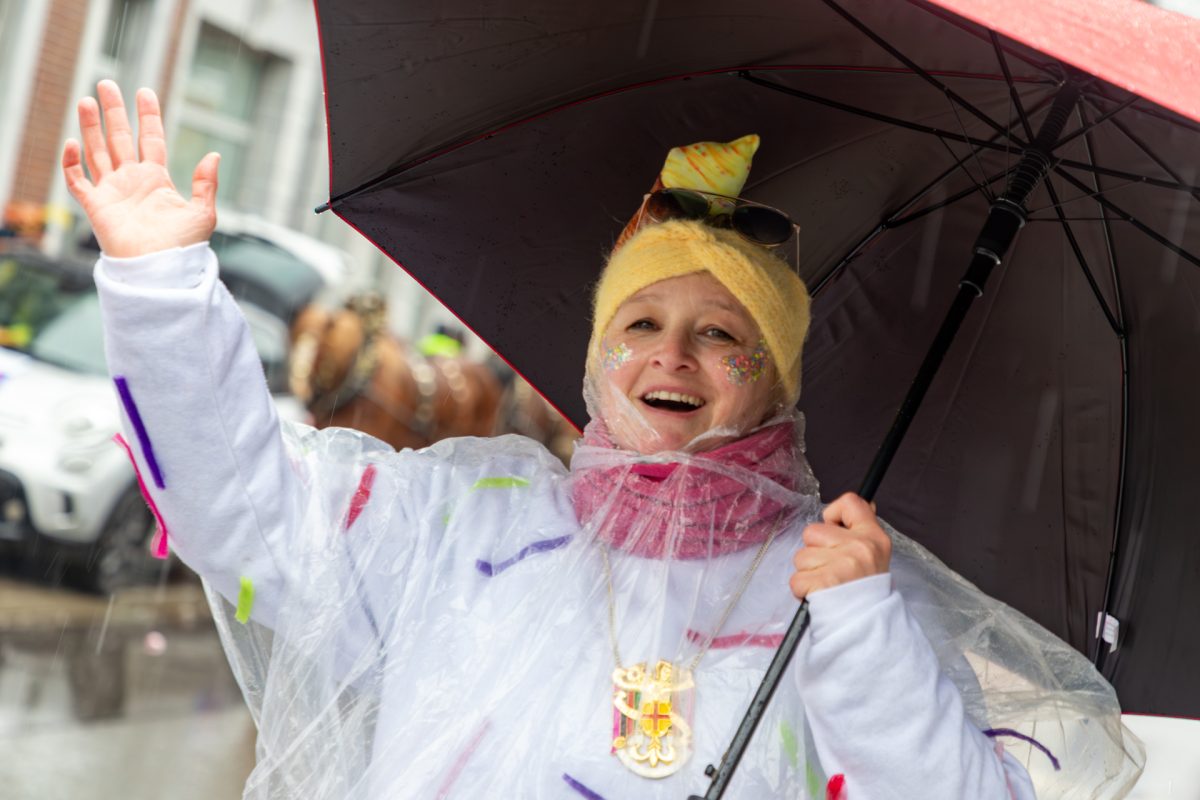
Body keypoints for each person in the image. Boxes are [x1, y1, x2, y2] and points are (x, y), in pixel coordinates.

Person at [64, 80, 1141, 799]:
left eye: (723, 334)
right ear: (597, 351)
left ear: (770, 379)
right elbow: (241, 517)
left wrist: (861, 634)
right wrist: (161, 286)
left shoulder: (841, 592)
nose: (671, 357)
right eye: (641, 324)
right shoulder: (463, 519)